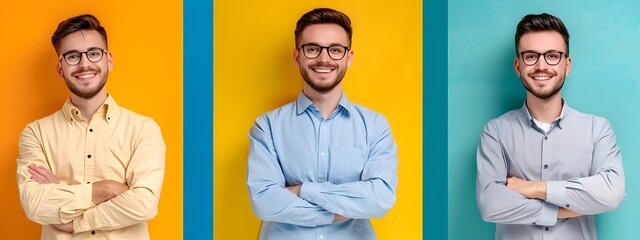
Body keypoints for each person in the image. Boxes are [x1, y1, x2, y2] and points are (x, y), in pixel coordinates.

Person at [246, 8, 398, 239]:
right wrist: (338, 210)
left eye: (335, 50)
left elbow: (379, 199)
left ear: (349, 58)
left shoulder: (375, 125)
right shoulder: (267, 126)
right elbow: (264, 202)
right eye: (313, 49)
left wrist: (302, 190)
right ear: (298, 56)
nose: (324, 58)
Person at [476, 13, 625, 239]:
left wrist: (533, 188)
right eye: (531, 56)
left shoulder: (597, 130)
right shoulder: (496, 132)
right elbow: (491, 205)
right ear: (518, 66)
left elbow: (612, 192)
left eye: (552, 56)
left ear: (567, 65)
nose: (541, 65)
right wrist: (568, 208)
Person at [16, 14, 166, 239]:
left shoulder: (144, 129)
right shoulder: (35, 134)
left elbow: (144, 203)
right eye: (73, 56)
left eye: (94, 53)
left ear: (109, 60)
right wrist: (105, 190)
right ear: (60, 68)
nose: (85, 63)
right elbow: (35, 204)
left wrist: (75, 218)